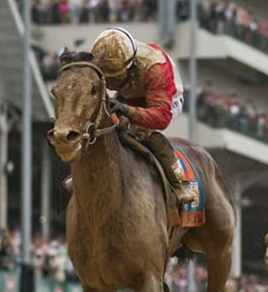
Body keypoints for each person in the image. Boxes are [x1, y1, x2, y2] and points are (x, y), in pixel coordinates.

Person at [64, 27, 194, 204]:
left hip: (167, 98)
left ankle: (179, 181)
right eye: (108, 79)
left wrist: (127, 111)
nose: (111, 84)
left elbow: (161, 118)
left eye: (116, 78)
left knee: (143, 131)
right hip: (128, 94)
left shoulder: (155, 68)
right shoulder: (101, 59)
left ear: (131, 66)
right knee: (102, 124)